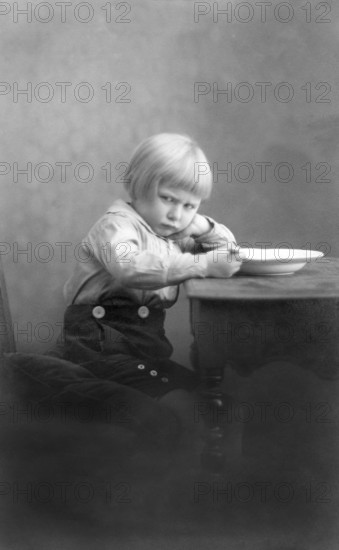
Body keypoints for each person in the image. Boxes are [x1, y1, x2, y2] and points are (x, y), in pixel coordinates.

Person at [60, 133, 241, 456]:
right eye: (169, 198)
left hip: (145, 350)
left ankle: (204, 470)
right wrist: (201, 264)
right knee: (179, 403)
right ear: (138, 185)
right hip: (98, 346)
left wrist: (202, 227)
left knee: (208, 396)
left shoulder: (172, 233)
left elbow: (229, 250)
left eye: (190, 205)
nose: (177, 215)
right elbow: (132, 267)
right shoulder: (116, 226)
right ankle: (180, 473)